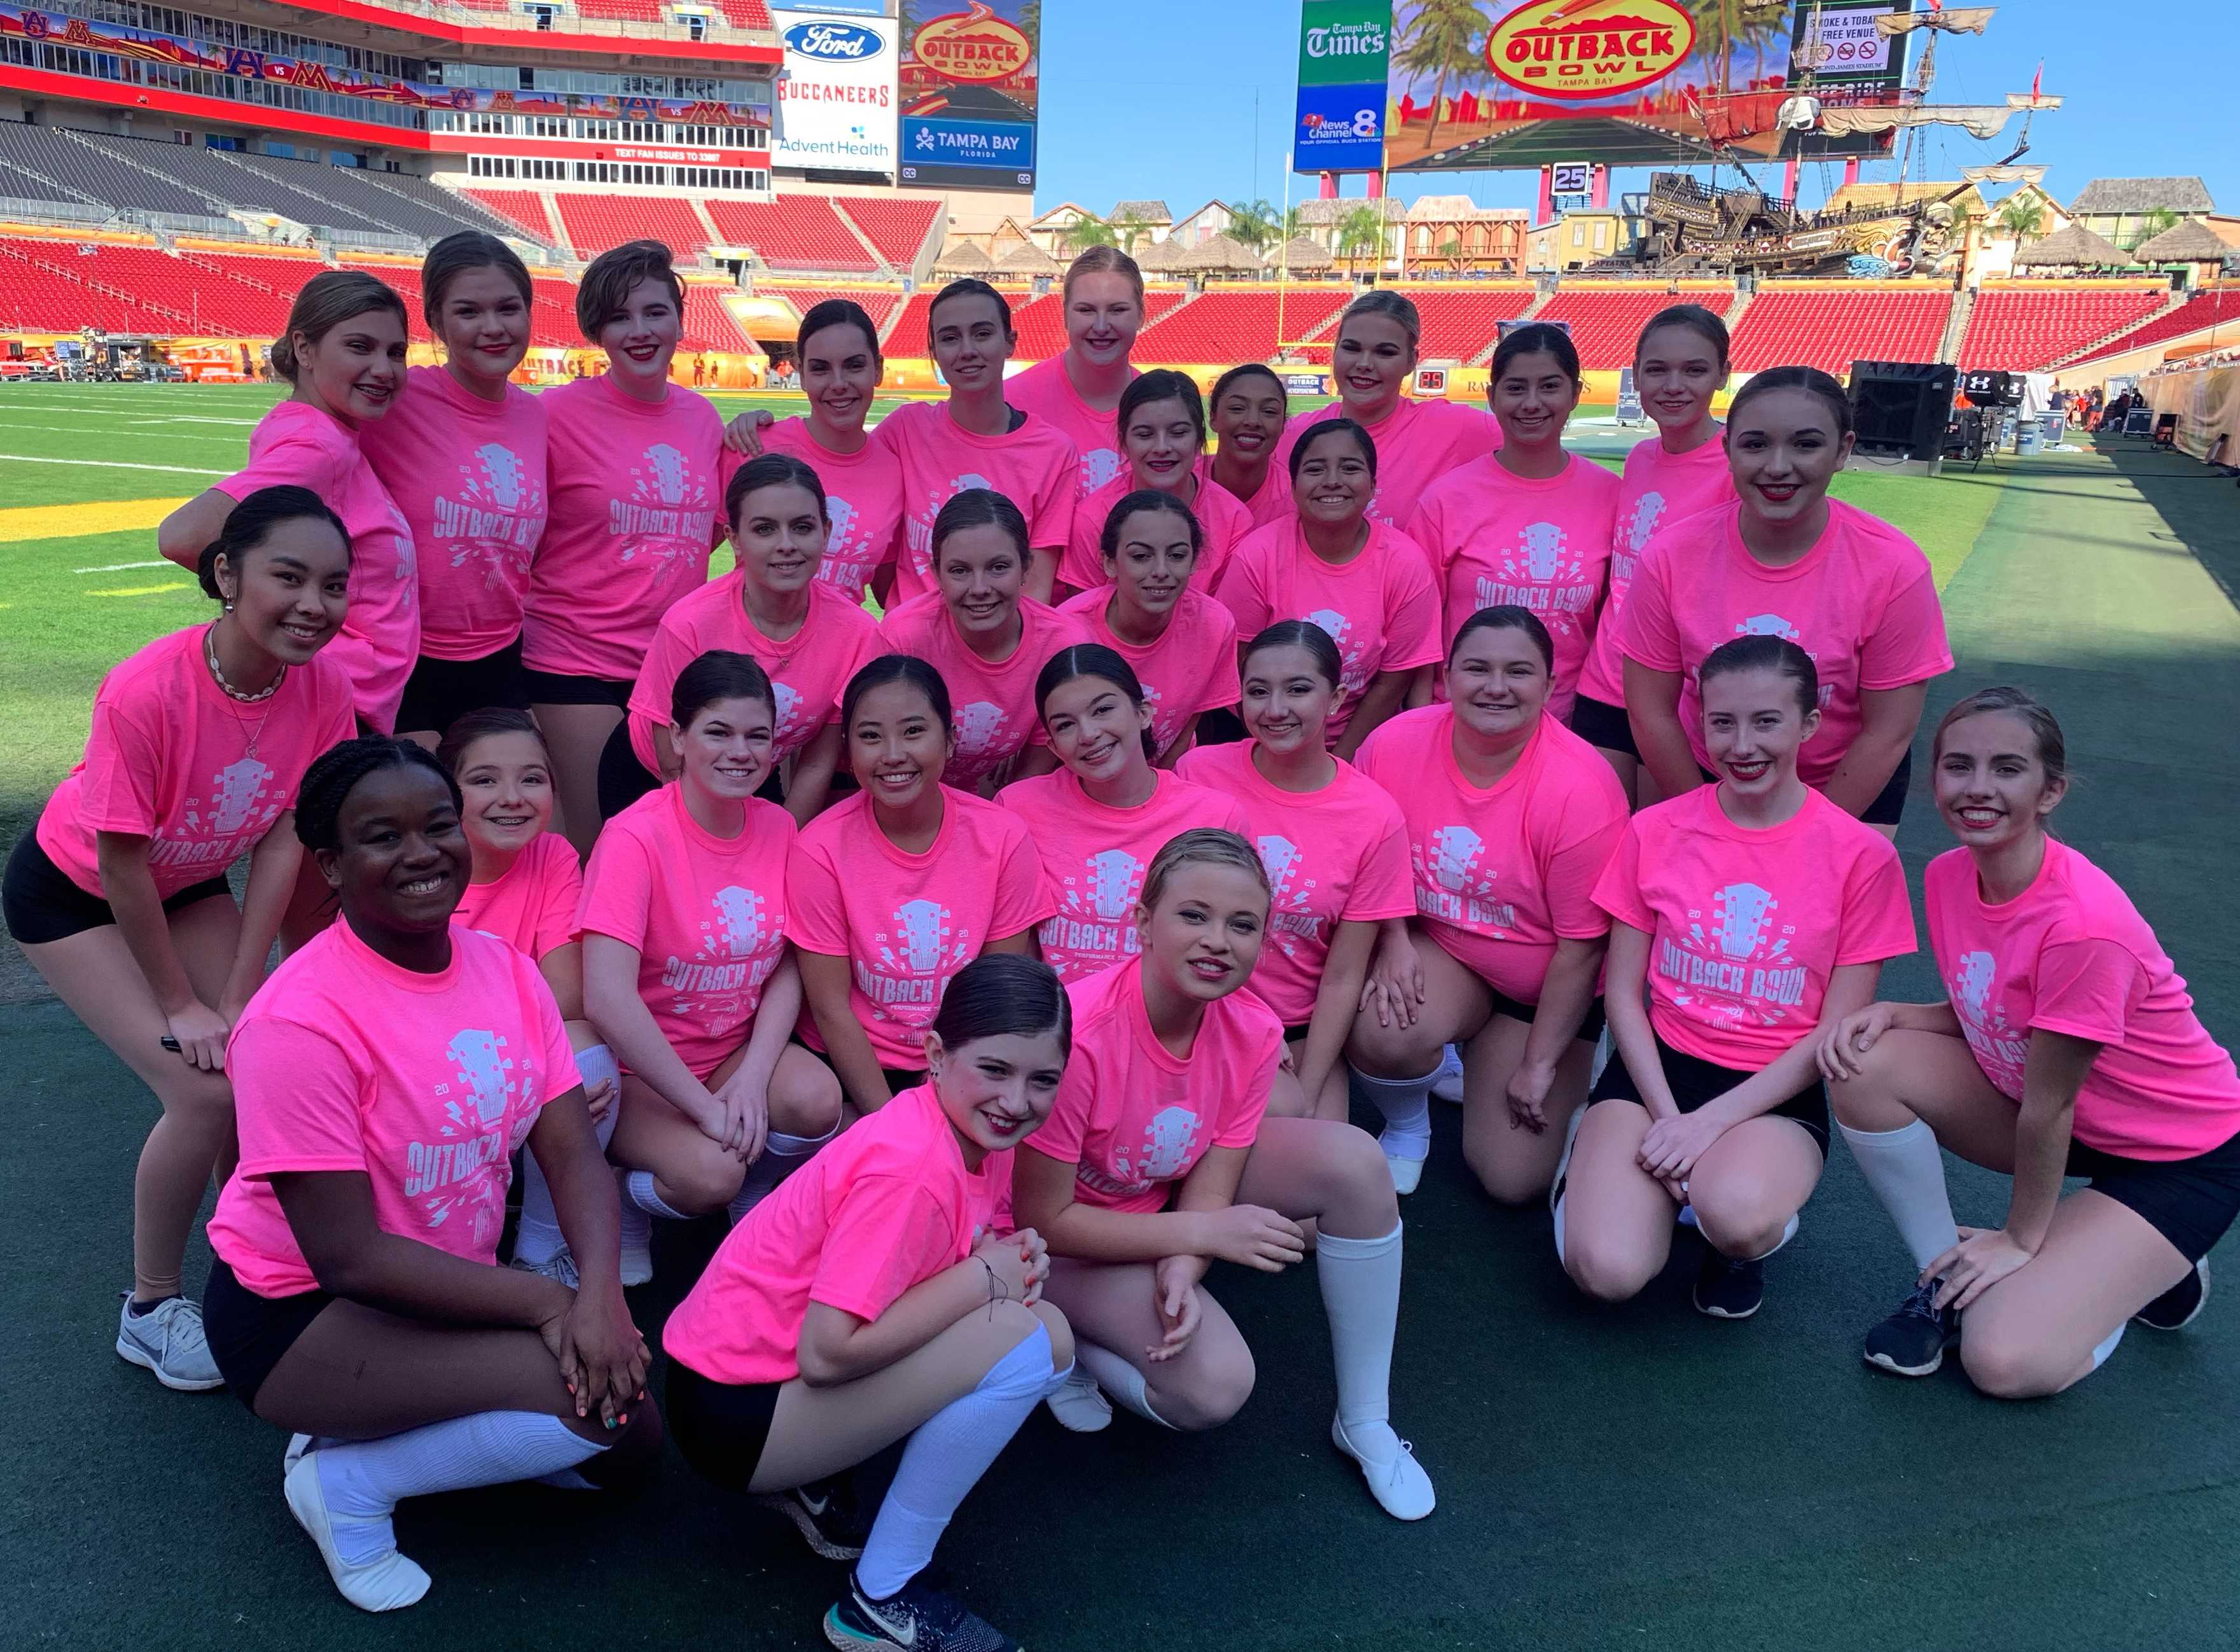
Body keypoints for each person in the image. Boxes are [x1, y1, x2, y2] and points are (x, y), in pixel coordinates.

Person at [198, 737, 657, 1613]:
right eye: (383, 836)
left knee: (625, 1447)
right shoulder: (298, 1019)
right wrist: (556, 1305)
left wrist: (600, 1291)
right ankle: (344, 1485)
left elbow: (570, 1153)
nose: (421, 853)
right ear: (329, 864)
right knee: (603, 1415)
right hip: (302, 1311)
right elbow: (350, 1258)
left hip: (444, 1286)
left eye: (438, 825)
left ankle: (459, 1424)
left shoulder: (506, 972)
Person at [6, 488, 356, 1391]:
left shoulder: (324, 688)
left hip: (189, 880)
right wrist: (183, 1005)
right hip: (73, 895)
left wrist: (241, 994)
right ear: (228, 574)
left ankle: (250, 1259)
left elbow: (283, 838)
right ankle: (152, 1309)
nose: (314, 604)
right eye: (289, 577)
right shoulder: (149, 686)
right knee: (200, 1094)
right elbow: (121, 865)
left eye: (333, 584)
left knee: (261, 1054)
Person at [1820, 688, 2240, 1392]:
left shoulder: (2081, 926)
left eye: (2006, 768)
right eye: (1958, 766)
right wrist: (1899, 1011)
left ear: (2049, 791)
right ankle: (1942, 1284)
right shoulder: (1949, 873)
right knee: (1861, 1059)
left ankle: (2138, 1270)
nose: (1977, 787)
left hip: (2179, 1157)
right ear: (1935, 780)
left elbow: (2049, 1106)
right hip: (2070, 1114)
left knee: (2002, 1360)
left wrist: (2020, 1240)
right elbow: (2000, 1006)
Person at [1011, 830, 1436, 1523]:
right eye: (1192, 914)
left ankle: (1365, 1421)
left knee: (1357, 1160)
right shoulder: (1076, 1037)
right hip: (1043, 1243)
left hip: (1154, 1201)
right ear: (1142, 922)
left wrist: (1185, 1261)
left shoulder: (1254, 1029)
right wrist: (1203, 1231)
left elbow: (1215, 1170)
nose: (1217, 940)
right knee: (1213, 1388)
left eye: (1242, 925)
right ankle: (1062, 1338)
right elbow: (1044, 1218)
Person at [664, 952, 1076, 1652]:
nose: (1017, 1100)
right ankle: (882, 1596)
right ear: (936, 1054)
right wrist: (985, 1276)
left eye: (1043, 1080)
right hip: (736, 1409)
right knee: (1018, 1334)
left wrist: (996, 1267)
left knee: (1047, 1332)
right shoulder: (913, 1165)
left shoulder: (963, 1128)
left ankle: (813, 1482)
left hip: (740, 1381)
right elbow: (828, 1352)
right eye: (996, 1070)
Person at [1561, 637, 1916, 1319]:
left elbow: (1830, 1034)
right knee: (1604, 1271)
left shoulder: (1860, 856)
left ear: (1808, 726)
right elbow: (1622, 997)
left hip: (1774, 1087)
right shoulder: (1655, 829)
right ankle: (1590, 1173)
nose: (1741, 743)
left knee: (1735, 1214)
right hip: (1653, 1074)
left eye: (1766, 720)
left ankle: (1733, 1238)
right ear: (1698, 722)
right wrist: (1670, 1120)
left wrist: (1710, 1124)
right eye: (1721, 722)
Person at [1344, 609, 1627, 1200]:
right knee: (1386, 1028)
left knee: (1511, 1180)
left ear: (1550, 687)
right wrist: (1392, 940)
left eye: (1518, 671)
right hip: (1445, 950)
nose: (1495, 686)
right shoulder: (1392, 746)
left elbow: (1582, 949)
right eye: (1477, 668)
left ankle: (1562, 1065)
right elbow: (1368, 863)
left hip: (1543, 987)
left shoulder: (1582, 787)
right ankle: (1407, 1123)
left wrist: (1539, 1064)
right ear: (1446, 677)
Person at [578, 652, 840, 1284]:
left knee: (818, 1102)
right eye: (718, 732)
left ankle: (752, 1178)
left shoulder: (778, 827)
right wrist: (701, 1107)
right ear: (678, 736)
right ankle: (623, 1198)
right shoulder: (634, 836)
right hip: (640, 1071)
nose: (740, 752)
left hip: (728, 1050)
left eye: (757, 735)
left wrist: (751, 1076)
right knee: (710, 1175)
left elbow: (786, 964)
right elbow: (607, 997)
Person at [1618, 365, 1952, 838]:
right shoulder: (1669, 556)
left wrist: (1801, 837)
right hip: (1705, 778)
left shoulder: (1893, 567)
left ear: (1843, 451)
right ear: (1727, 450)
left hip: (1841, 785)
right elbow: (1649, 709)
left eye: (1806, 444)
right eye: (1755, 445)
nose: (1777, 466)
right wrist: (1703, 818)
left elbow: (1888, 731)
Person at [520, 240, 728, 853]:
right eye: (619, 317)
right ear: (595, 330)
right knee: (601, 846)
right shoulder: (551, 414)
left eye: (655, 312)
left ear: (679, 321)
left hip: (671, 666)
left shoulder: (703, 419)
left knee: (668, 845)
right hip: (574, 661)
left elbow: (709, 532)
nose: (640, 331)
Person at [790, 655, 1053, 1116]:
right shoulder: (820, 849)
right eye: (870, 736)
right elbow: (832, 1009)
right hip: (853, 1064)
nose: (893, 754)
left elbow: (994, 991)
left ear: (950, 741)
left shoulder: (1002, 837)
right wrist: (889, 1122)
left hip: (958, 1055)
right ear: (848, 754)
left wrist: (941, 1099)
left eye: (914, 731)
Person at [158, 271, 418, 735]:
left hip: (340, 696)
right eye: (360, 347)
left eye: (396, 352)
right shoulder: (318, 448)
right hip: (328, 697)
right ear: (304, 348)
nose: (384, 368)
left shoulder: (327, 433)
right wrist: (272, 617)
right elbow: (183, 536)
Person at [1177, 621, 1413, 1122]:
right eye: (1257, 691)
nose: (1275, 709)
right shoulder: (1198, 774)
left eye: (1298, 689)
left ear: (1335, 699)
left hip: (1297, 1028)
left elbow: (1342, 975)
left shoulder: (1374, 814)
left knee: (1314, 1167)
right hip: (1198, 1011)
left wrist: (1309, 1089)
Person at [435, 709, 622, 1284]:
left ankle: (539, 1248)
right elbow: (412, 1017)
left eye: (532, 779)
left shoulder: (554, 856)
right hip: (427, 1069)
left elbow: (566, 994)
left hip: (510, 1061)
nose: (512, 798)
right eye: (485, 780)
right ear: (446, 791)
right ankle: (453, 1252)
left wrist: (523, 1077)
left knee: (587, 1048)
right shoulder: (421, 864)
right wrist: (522, 1081)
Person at [612, 454, 879, 825]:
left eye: (802, 527)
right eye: (765, 529)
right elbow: (673, 761)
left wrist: (785, 840)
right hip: (655, 775)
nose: (786, 545)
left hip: (751, 775)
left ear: (827, 532)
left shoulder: (857, 632)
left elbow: (819, 760)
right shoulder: (690, 623)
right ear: (734, 539)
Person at [357, 233, 548, 746]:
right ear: (436, 322)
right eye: (468, 312)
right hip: (404, 661)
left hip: (502, 658)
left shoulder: (537, 416)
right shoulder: (394, 399)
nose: (493, 328)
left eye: (509, 308)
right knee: (422, 820)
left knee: (525, 817)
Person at [999, 646, 1252, 985]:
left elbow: (1230, 947)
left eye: (1103, 710)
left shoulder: (1216, 817)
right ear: (1054, 747)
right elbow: (1016, 952)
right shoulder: (1018, 809)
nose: (1088, 735)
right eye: (1065, 726)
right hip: (1054, 1024)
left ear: (1144, 713)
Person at [1410, 323, 1618, 723]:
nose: (1532, 403)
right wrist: (1423, 717)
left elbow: (1614, 616)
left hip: (1568, 724)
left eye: (1550, 387)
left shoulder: (1611, 495)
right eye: (1516, 387)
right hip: (1461, 721)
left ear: (1576, 394)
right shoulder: (1447, 498)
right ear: (1492, 397)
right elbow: (1419, 626)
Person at [1571, 304, 1736, 803]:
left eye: (1694, 370)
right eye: (1657, 370)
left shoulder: (1737, 465)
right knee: (1603, 839)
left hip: (1680, 696)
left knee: (1665, 845)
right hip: (1604, 682)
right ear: (1637, 376)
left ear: (1723, 375)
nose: (1673, 386)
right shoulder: (1641, 457)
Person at [1216, 419, 1442, 760]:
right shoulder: (1258, 555)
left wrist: (1342, 759)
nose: (1332, 481)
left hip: (1361, 743)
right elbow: (1235, 664)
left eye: (1350, 468)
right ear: (1293, 488)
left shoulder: (1405, 562)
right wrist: (1276, 745)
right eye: (1315, 469)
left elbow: (1394, 679)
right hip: (1266, 733)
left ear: (1373, 486)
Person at [875, 489, 1093, 795]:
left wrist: (994, 816)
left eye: (998, 567)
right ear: (937, 574)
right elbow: (881, 753)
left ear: (1026, 567)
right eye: (960, 571)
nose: (980, 588)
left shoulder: (1062, 643)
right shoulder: (904, 638)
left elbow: (1034, 769)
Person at [876, 279, 1076, 603]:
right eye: (950, 338)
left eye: (982, 334)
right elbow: (835, 458)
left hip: (998, 644)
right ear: (935, 351)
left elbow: (1037, 586)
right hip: (911, 644)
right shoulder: (904, 430)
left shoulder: (1053, 453)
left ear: (1010, 342)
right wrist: (764, 428)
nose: (967, 350)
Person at [1272, 290, 1499, 531]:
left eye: (1385, 353)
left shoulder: (1454, 428)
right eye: (1351, 348)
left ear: (1412, 361)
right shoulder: (1294, 434)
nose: (1364, 364)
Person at [1057, 490, 1239, 767]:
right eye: (1141, 556)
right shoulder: (1068, 630)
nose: (1161, 571)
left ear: (1194, 562)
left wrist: (1158, 794)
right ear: (1110, 562)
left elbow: (1187, 726)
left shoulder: (1214, 624)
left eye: (1177, 555)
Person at [1055, 370, 1252, 597]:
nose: (1161, 447)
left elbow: (1227, 619)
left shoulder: (1234, 520)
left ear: (1199, 439)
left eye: (1178, 433)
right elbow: (1082, 618)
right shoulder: (1090, 520)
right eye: (1145, 434)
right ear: (1124, 441)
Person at [760, 298, 905, 602]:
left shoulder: (894, 473)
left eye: (854, 366)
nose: (839, 384)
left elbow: (888, 592)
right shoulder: (757, 447)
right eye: (821, 368)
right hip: (752, 646)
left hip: (845, 648)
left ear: (878, 369)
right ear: (800, 372)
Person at [1005, 244, 1147, 496]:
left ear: (1141, 315)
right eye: (1086, 310)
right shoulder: (1010, 403)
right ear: (1065, 316)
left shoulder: (1161, 409)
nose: (1101, 326)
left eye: (1117, 310)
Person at [1206, 363, 1293, 528]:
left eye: (1269, 411)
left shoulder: (1296, 500)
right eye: (1238, 408)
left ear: (1283, 425)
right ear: (1213, 418)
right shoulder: (1182, 482)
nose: (1253, 421)